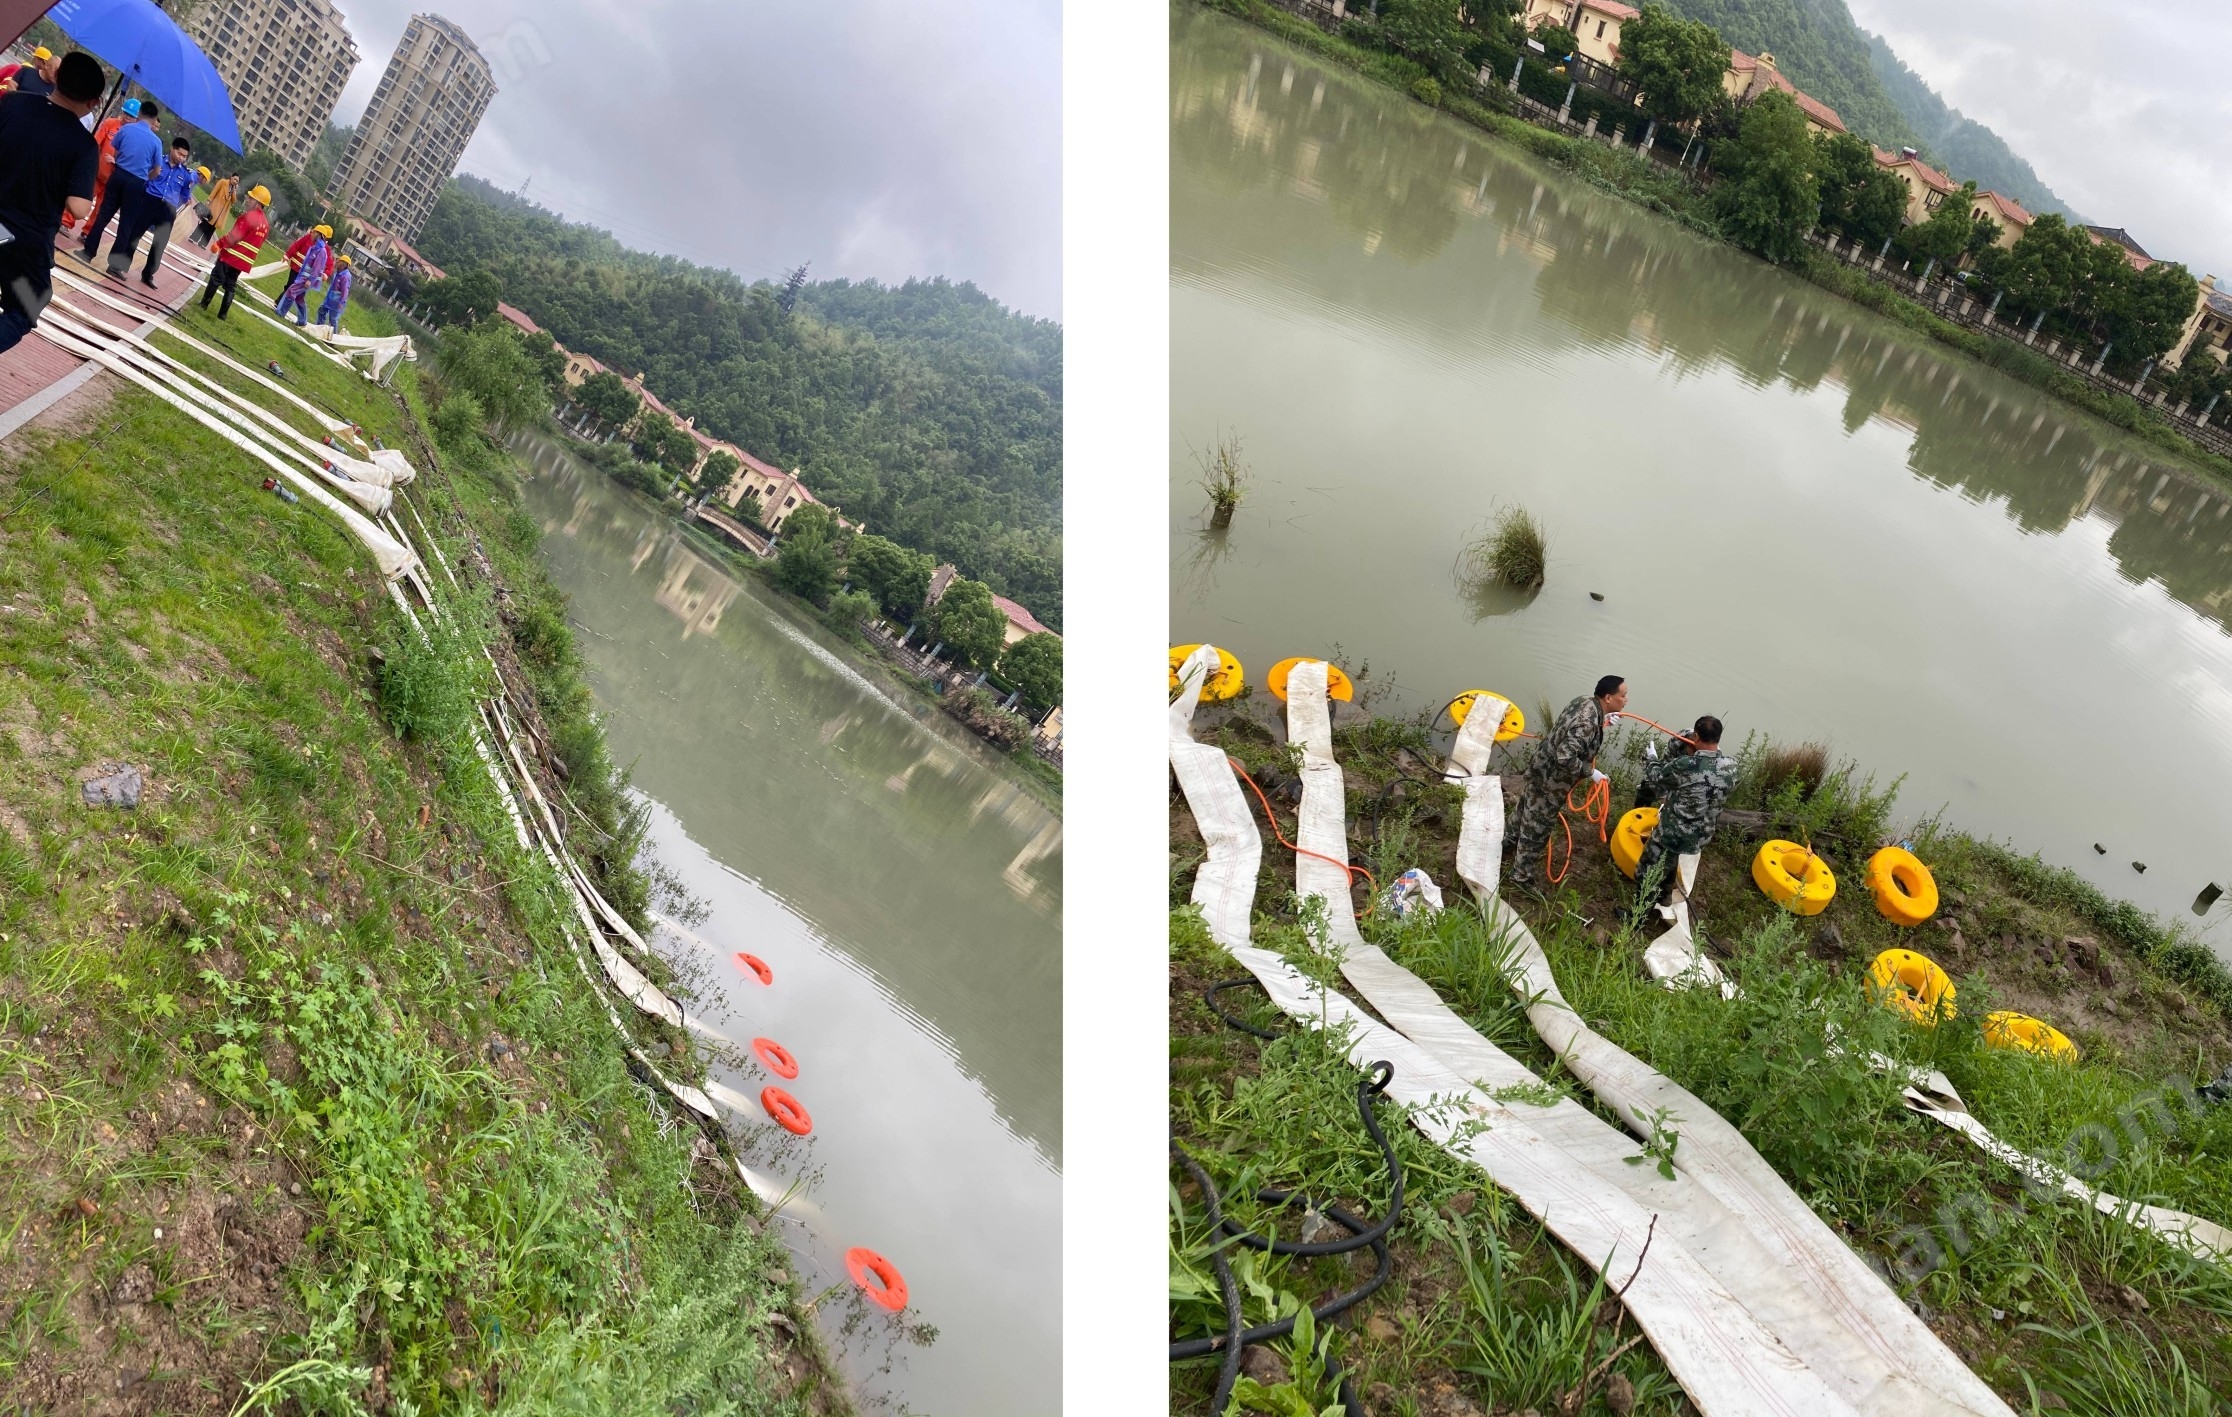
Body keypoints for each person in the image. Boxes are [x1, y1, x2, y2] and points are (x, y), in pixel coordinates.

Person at [0, 52, 104, 354]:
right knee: (27, 306)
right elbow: (78, 208)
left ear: (56, 77)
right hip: (22, 247)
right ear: (94, 102)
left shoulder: (13, 103)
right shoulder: (84, 145)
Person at [1508, 674, 1627, 891]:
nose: (1626, 700)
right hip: (1551, 781)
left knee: (1525, 805)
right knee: (1537, 828)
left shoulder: (1584, 702)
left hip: (1540, 766)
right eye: (1623, 695)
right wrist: (1590, 772)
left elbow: (1573, 730)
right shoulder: (1588, 723)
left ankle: (1508, 841)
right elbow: (1565, 757)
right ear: (1608, 698)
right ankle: (1521, 878)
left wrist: (1603, 722)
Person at [1632, 716, 1738, 915]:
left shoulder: (1685, 764)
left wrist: (1652, 758)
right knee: (1669, 859)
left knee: (1646, 871)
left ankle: (1637, 918)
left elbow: (1657, 778)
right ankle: (1664, 897)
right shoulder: (1732, 766)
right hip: (1702, 835)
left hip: (1674, 832)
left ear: (1696, 737)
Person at [77, 99, 159, 262]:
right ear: (154, 119)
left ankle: (88, 252)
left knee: (103, 214)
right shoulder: (156, 141)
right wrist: (144, 178)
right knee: (126, 224)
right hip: (137, 183)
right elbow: (156, 170)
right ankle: (114, 265)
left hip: (119, 174)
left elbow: (116, 152)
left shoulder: (127, 130)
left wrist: (121, 164)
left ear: (139, 114)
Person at [109, 137, 196, 286]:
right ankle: (121, 265)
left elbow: (185, 195)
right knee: (134, 234)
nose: (181, 158)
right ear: (172, 149)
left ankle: (148, 275)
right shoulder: (158, 162)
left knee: (159, 244)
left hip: (168, 209)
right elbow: (146, 177)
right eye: (179, 154)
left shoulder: (186, 174)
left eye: (184, 156)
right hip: (150, 201)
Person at [200, 184, 270, 320]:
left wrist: (218, 244)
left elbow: (234, 236)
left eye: (251, 198)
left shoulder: (249, 216)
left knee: (216, 279)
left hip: (231, 256)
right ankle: (223, 315)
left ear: (258, 203)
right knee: (230, 285)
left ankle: (203, 304)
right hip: (243, 261)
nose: (247, 200)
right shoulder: (266, 224)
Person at [275, 224, 330, 325]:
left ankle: (280, 312)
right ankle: (302, 321)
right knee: (299, 297)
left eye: (314, 232)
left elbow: (317, 268)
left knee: (291, 291)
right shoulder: (316, 247)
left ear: (319, 234)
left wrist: (310, 280)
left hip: (307, 278)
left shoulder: (321, 251)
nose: (311, 234)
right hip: (304, 276)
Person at [193, 170, 234, 246]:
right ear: (231, 178)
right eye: (235, 179)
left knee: (212, 228)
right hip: (214, 207)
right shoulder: (223, 182)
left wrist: (234, 190)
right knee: (205, 223)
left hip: (221, 212)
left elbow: (233, 200)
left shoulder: (232, 190)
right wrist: (208, 200)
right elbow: (215, 191)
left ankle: (203, 243)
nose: (235, 181)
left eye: (237, 181)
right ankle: (194, 237)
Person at [316, 253, 354, 328]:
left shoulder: (345, 277)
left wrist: (341, 302)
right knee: (321, 310)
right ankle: (320, 327)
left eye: (339, 261)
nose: (337, 262)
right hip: (330, 299)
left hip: (337, 302)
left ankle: (333, 335)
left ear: (344, 264)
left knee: (332, 320)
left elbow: (345, 291)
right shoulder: (338, 273)